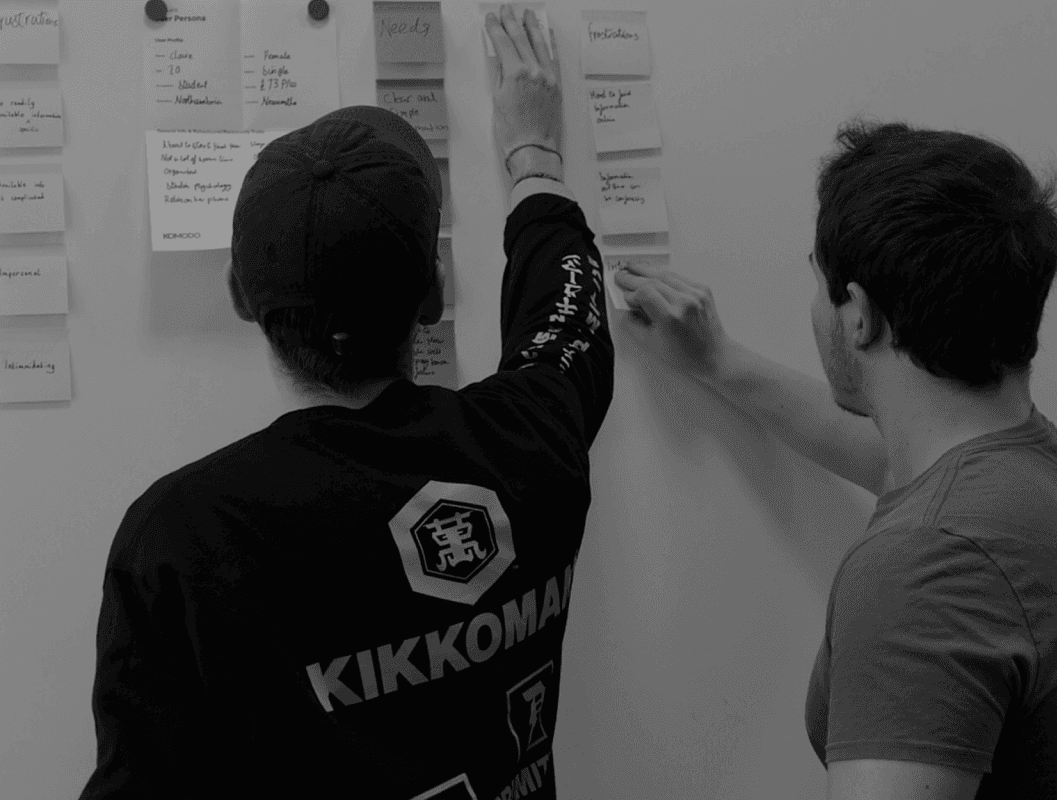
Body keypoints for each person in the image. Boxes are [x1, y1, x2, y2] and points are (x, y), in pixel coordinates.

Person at [80, 6, 609, 798]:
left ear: (240, 299)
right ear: (432, 295)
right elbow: (565, 317)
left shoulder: (185, 541)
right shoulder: (531, 439)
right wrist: (533, 155)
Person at [613, 123, 1057, 794]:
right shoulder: (1020, 470)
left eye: (820, 284)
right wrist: (718, 360)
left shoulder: (926, 569)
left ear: (857, 313)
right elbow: (893, 463)